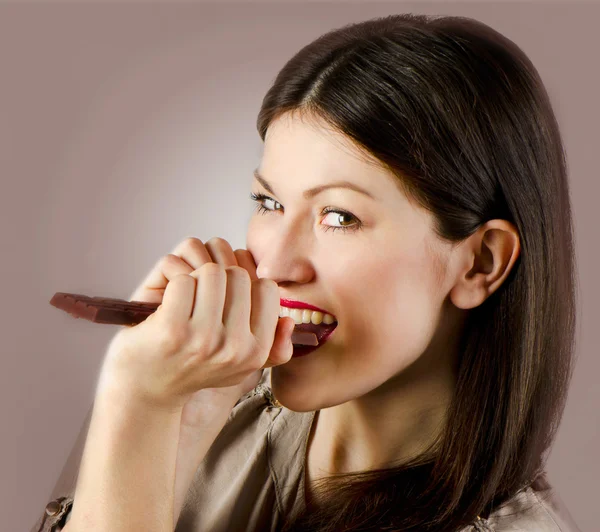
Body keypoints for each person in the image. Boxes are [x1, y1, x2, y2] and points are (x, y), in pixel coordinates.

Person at [30, 12, 582, 532]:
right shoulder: (202, 410)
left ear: (480, 263)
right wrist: (168, 426)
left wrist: (137, 401)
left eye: (339, 216)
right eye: (268, 204)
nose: (272, 263)